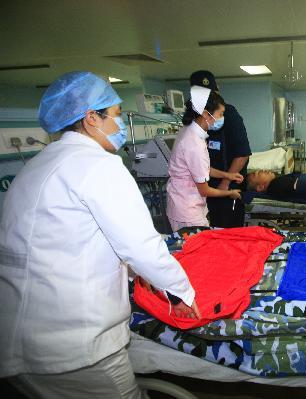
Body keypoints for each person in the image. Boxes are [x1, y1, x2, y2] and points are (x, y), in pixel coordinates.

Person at [0, 72, 200, 398]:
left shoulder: (35, 166)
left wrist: (135, 272)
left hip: (18, 333)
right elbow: (142, 245)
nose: (119, 126)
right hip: (73, 346)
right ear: (92, 118)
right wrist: (181, 294)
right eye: (117, 115)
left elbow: (73, 236)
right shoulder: (99, 166)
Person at [166, 86, 242, 232]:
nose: (221, 119)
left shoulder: (188, 131)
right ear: (206, 115)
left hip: (184, 203)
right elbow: (204, 190)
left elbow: (201, 169)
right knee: (196, 252)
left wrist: (228, 175)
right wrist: (229, 193)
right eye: (220, 114)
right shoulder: (194, 143)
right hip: (187, 212)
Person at [190, 70, 252, 228]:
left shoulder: (229, 114)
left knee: (229, 232)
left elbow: (242, 153)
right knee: (215, 230)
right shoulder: (195, 122)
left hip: (227, 187)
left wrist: (225, 182)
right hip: (207, 187)